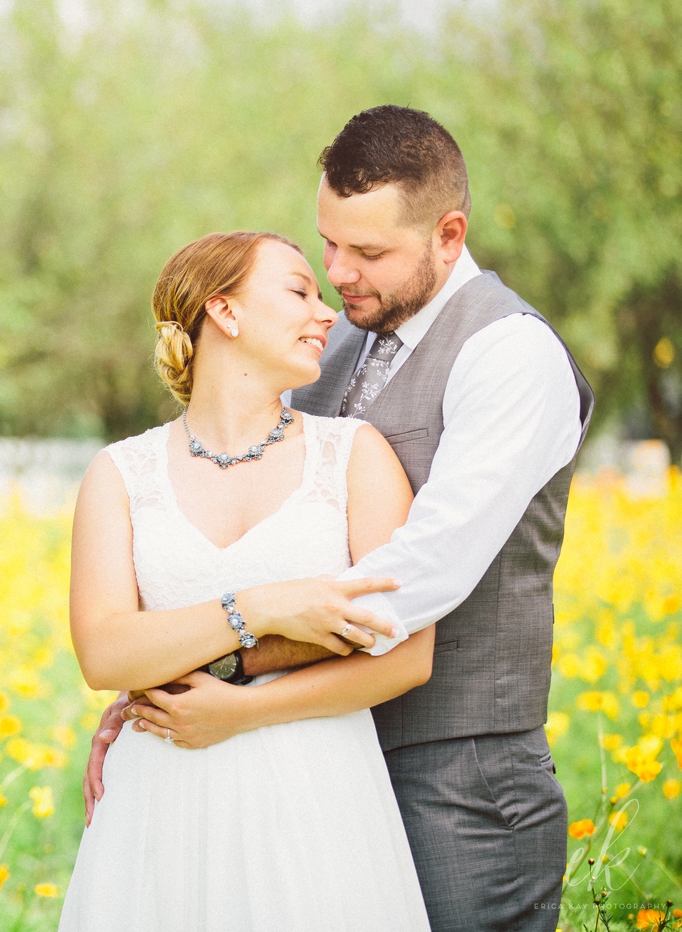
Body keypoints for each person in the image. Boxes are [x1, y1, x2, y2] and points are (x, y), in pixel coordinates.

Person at [83, 106, 594, 932]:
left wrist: (212, 671)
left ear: (449, 235)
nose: (338, 274)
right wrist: (157, 693)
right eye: (327, 244)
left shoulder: (511, 355)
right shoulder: (339, 345)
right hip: (313, 771)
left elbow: (411, 579)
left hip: (455, 777)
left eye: (368, 253)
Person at [60, 229, 434, 931]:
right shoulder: (119, 475)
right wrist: (259, 607)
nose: (326, 313)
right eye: (299, 291)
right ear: (224, 313)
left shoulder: (354, 456)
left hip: (318, 795)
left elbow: (407, 653)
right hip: (157, 800)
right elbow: (104, 655)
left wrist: (240, 710)